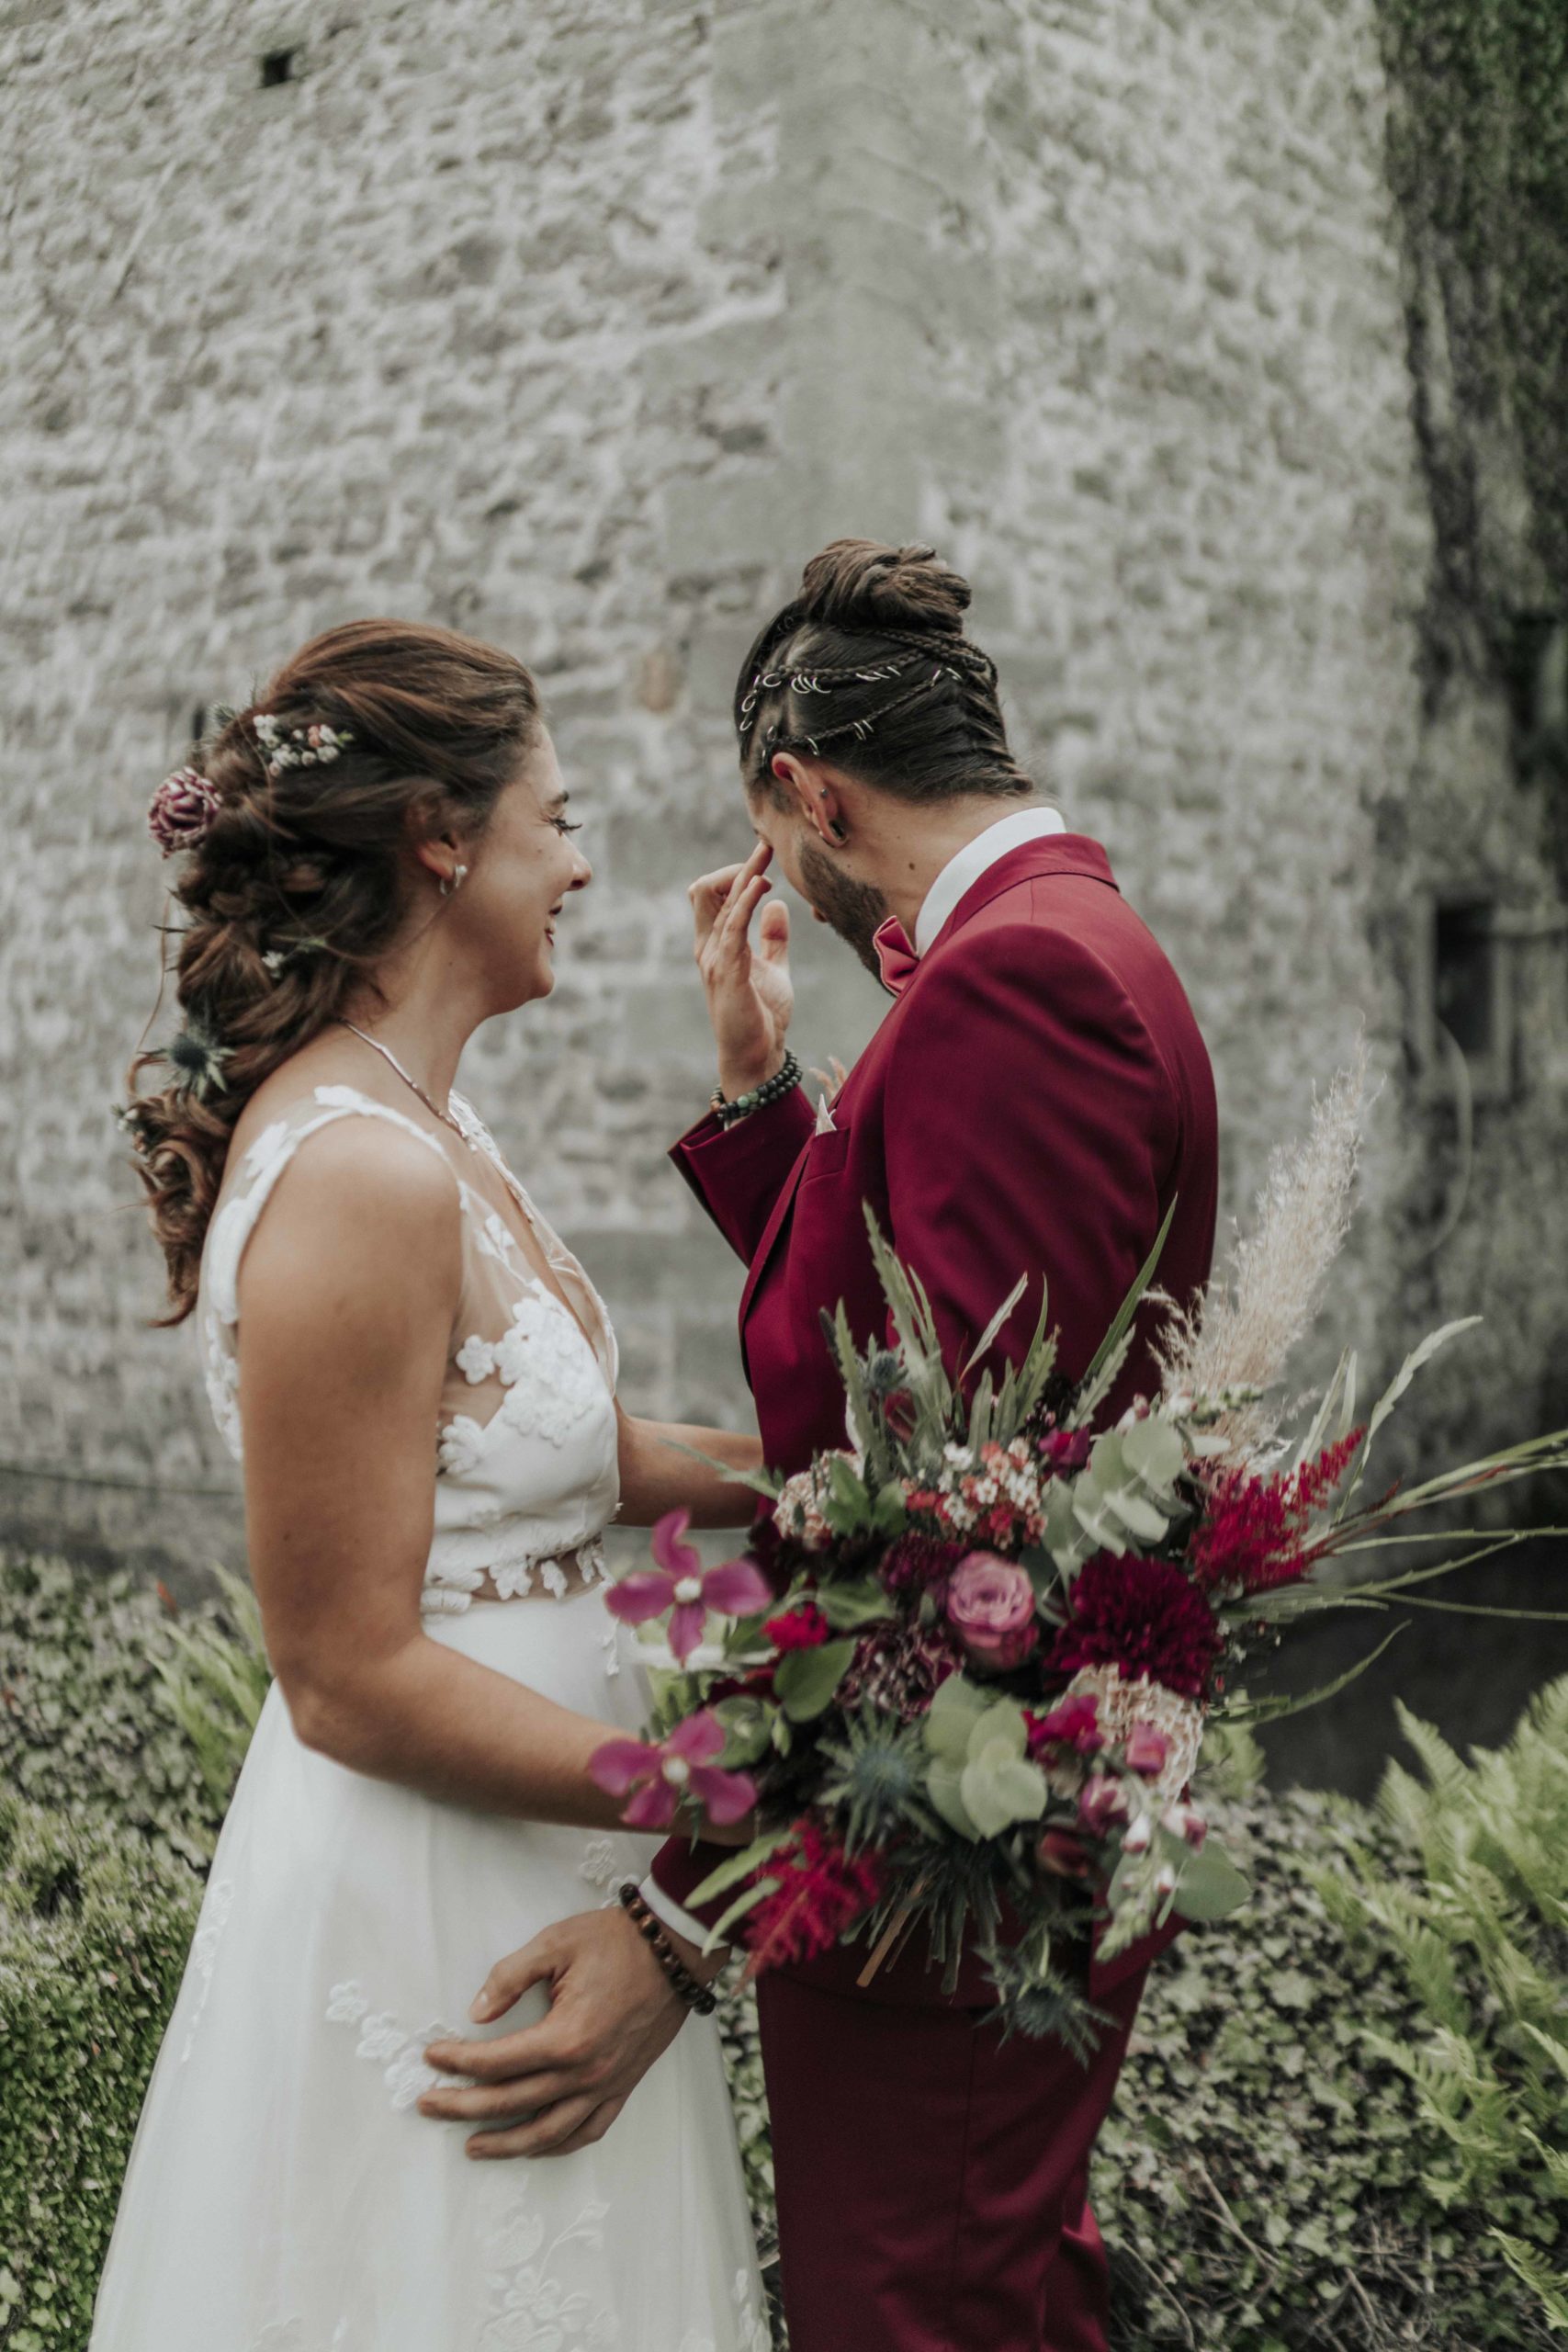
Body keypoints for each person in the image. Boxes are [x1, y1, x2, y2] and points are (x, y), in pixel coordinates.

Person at [425, 542, 1221, 2352]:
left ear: (800, 791)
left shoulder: (1018, 989)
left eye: (765, 832)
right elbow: (931, 1392)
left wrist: (688, 1917)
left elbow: (935, 1532)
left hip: (940, 1834)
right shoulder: (1064, 952)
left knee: (916, 2316)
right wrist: (763, 1096)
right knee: (1007, 2299)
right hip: (982, 1802)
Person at [92, 619, 770, 2352]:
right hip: (432, 1901)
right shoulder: (360, 1174)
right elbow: (342, 1672)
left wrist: (854, 1497)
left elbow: (579, 1460)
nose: (584, 859)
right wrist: (713, 1791)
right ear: (443, 838)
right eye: (559, 813)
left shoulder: (434, 1125)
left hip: (547, 1861)